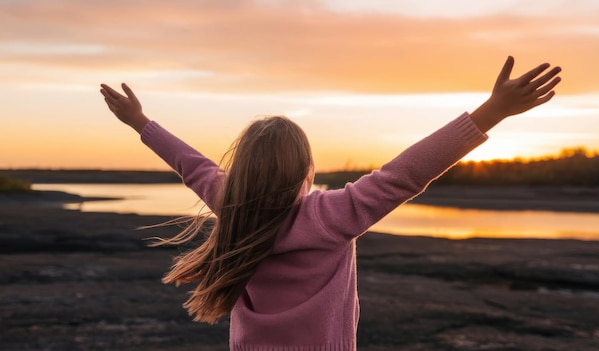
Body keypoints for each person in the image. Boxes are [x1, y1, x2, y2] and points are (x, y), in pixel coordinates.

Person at [100, 56, 561, 351]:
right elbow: (407, 173)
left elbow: (191, 164)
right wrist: (492, 112)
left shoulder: (231, 204)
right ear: (307, 170)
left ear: (243, 170)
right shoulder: (332, 216)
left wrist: (141, 122)